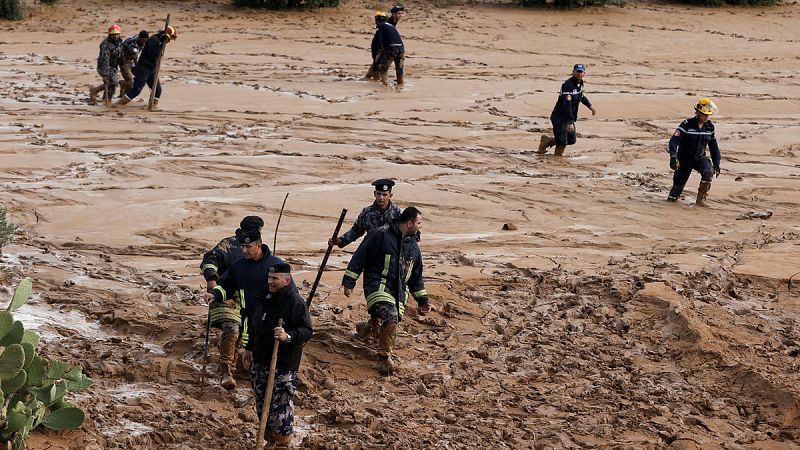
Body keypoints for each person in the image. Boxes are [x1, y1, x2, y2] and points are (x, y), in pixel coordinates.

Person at [341, 207, 430, 375]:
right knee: (391, 315)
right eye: (419, 223)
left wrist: (423, 301)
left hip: (398, 293)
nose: (420, 226)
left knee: (389, 318)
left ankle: (369, 328)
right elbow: (360, 256)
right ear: (410, 223)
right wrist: (349, 281)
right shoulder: (380, 234)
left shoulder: (414, 247)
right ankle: (384, 358)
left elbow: (416, 277)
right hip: (377, 286)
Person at [241, 263, 311, 449]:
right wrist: (248, 348)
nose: (270, 281)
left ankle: (281, 442)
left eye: (275, 279)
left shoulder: (295, 302)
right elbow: (255, 326)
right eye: (269, 278)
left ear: (286, 280)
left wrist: (287, 336)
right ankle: (270, 437)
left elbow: (306, 330)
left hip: (283, 364)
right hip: (260, 360)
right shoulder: (263, 298)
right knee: (262, 401)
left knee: (280, 404)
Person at [200, 215, 264, 390]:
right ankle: (225, 370)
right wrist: (212, 279)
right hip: (224, 294)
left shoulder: (259, 248)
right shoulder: (227, 245)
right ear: (243, 231)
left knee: (245, 333)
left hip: (247, 299)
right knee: (232, 328)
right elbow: (209, 260)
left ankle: (237, 364)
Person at [667, 98, 722, 207]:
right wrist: (673, 157)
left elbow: (713, 146)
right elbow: (673, 141)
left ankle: (700, 201)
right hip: (684, 159)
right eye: (704, 114)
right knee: (677, 189)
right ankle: (671, 204)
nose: (706, 117)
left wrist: (717, 163)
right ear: (698, 112)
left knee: (708, 172)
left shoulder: (709, 127)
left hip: (699, 158)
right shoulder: (686, 124)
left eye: (708, 115)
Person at [538, 63, 597, 156]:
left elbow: (581, 96)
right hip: (560, 117)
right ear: (573, 72)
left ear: (584, 73)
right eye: (577, 71)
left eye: (581, 72)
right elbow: (567, 105)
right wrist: (569, 122)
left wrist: (590, 106)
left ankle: (547, 141)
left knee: (571, 140)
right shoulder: (567, 85)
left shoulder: (580, 83)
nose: (579, 73)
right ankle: (557, 160)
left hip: (569, 117)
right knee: (562, 142)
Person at [116, 26, 177, 109]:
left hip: (152, 69)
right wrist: (160, 45)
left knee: (158, 91)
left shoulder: (162, 42)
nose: (169, 41)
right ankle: (118, 105)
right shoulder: (153, 40)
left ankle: (152, 106)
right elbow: (153, 54)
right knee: (136, 90)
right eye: (170, 39)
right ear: (166, 36)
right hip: (143, 68)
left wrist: (162, 44)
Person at [329, 178, 401, 249]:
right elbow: (356, 231)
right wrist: (340, 241)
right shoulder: (367, 213)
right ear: (374, 194)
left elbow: (405, 235)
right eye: (379, 194)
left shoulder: (398, 213)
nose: (381, 198)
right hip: (372, 253)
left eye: (384, 195)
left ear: (390, 195)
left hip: (390, 253)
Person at [89, 24, 123, 106]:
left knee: (112, 86)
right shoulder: (105, 45)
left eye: (117, 34)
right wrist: (105, 74)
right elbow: (104, 59)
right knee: (113, 82)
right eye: (113, 35)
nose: (115, 36)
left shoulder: (120, 42)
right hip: (105, 66)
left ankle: (106, 100)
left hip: (114, 66)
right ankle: (96, 90)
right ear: (110, 35)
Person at [373, 14, 405, 86]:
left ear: (376, 20)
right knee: (399, 68)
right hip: (401, 48)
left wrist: (379, 53)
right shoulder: (391, 26)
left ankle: (385, 86)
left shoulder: (380, 25)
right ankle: (401, 84)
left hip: (391, 48)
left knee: (384, 69)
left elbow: (379, 39)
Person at [118, 30, 149, 97]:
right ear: (140, 38)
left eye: (146, 41)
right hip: (125, 61)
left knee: (140, 78)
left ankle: (123, 83)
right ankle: (124, 96)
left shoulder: (144, 41)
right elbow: (133, 54)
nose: (144, 43)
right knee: (130, 81)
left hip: (134, 61)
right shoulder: (131, 42)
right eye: (143, 41)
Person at [364, 12, 388, 81]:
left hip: (378, 47)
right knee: (379, 63)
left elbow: (379, 38)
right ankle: (374, 78)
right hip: (385, 47)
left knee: (377, 64)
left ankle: (376, 79)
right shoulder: (388, 25)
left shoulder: (379, 26)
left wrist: (381, 49)